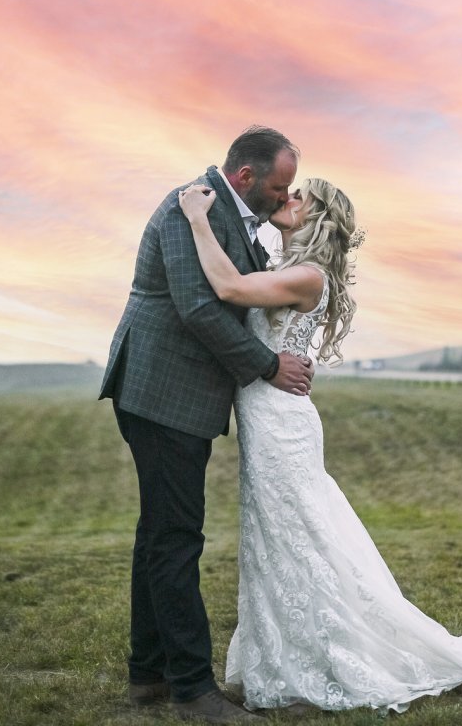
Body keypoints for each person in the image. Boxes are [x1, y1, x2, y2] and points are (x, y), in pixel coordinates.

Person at [178, 178, 462, 715]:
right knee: (274, 542)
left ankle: (325, 666)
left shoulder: (307, 276)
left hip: (283, 425)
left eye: (298, 198)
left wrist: (196, 218)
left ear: (319, 219)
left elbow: (231, 290)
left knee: (300, 541)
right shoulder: (290, 268)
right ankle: (286, 663)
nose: (286, 199)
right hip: (266, 422)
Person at [99, 126, 315, 723]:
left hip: (177, 396)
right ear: (245, 177)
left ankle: (148, 674)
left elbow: (241, 290)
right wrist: (269, 366)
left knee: (160, 532)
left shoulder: (233, 218)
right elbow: (197, 306)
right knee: (176, 537)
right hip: (160, 391)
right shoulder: (187, 206)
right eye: (278, 186)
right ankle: (193, 690)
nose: (283, 195)